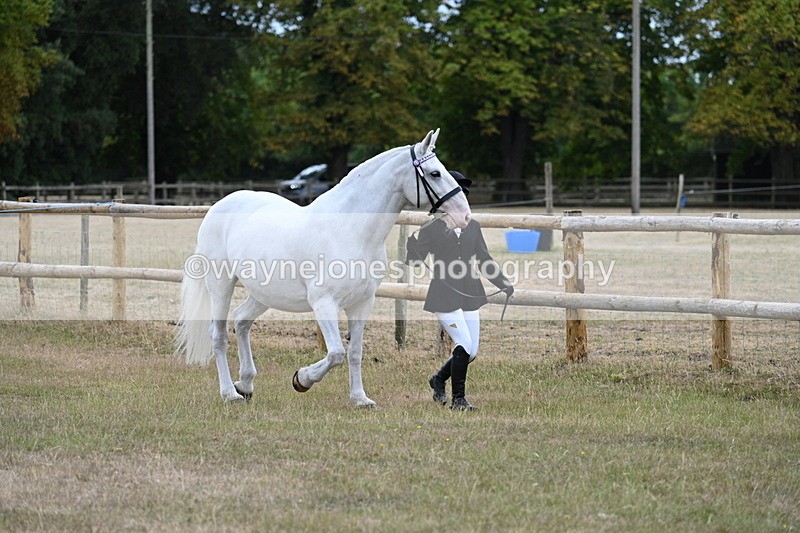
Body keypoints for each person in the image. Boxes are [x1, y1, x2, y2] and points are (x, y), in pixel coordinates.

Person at [406, 171, 514, 411]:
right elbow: (414, 262)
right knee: (463, 343)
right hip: (444, 294)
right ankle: (458, 400)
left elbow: (484, 259)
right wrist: (411, 249)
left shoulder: (472, 227)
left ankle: (438, 379)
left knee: (471, 351)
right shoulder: (431, 228)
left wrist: (502, 283)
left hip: (469, 292)